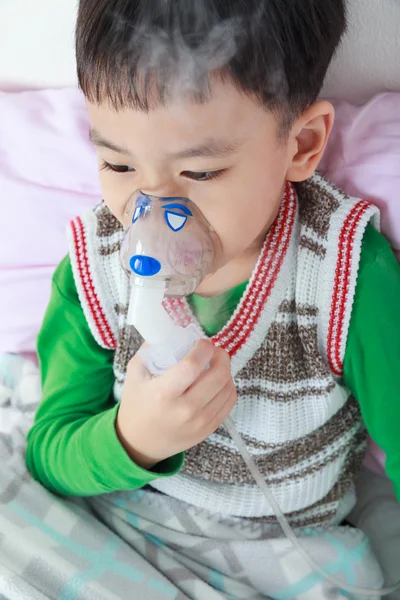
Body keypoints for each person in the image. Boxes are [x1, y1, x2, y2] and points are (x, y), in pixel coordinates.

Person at [26, 1, 400, 597]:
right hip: (127, 527)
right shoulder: (97, 271)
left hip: (288, 555)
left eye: (199, 174)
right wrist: (132, 439)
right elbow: (50, 452)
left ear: (301, 145)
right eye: (117, 163)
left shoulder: (344, 276)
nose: (148, 215)